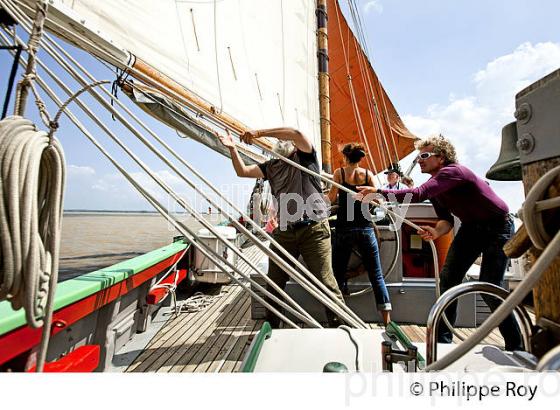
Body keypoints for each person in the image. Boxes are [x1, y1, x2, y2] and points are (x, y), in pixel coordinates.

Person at [357, 134, 523, 351]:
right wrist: (436, 232)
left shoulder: (453, 172)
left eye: (425, 155)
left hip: (498, 228)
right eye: (418, 157)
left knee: (489, 287)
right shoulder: (437, 186)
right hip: (471, 229)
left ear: (442, 157)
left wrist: (378, 192)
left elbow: (416, 195)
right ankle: (443, 342)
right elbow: (445, 220)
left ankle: (516, 345)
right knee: (448, 282)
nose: (419, 160)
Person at [219, 127, 344, 327]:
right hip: (285, 231)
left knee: (326, 283)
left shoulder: (305, 159)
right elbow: (242, 171)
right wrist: (233, 149)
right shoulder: (272, 166)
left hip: (314, 230)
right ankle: (271, 327)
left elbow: (296, 133)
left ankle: (341, 327)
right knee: (274, 282)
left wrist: (258, 134)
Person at [327, 143, 392, 325]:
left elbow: (331, 198)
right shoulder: (368, 175)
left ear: (346, 157)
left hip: (343, 230)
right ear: (360, 158)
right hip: (365, 229)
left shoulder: (339, 173)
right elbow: (378, 197)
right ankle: (387, 321)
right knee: (376, 276)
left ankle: (338, 318)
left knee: (338, 275)